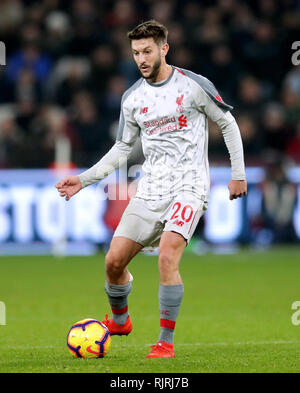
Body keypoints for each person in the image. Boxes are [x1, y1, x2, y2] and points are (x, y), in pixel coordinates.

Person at [56, 20, 247, 359]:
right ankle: (120, 320)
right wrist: (84, 179)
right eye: (135, 53)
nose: (141, 59)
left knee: (167, 255)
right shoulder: (132, 99)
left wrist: (238, 174)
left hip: (189, 186)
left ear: (164, 49)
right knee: (114, 262)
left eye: (147, 51)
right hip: (151, 189)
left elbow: (227, 123)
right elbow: (122, 149)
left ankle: (165, 342)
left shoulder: (192, 86)